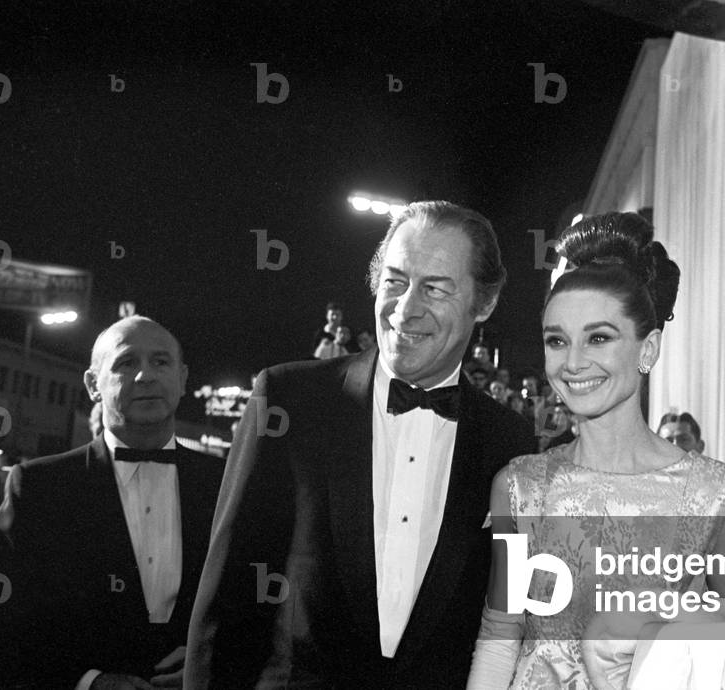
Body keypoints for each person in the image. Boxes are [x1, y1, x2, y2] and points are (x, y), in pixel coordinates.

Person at [468, 212, 725, 688]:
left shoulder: (716, 496)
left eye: (599, 337)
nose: (573, 362)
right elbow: (500, 636)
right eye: (557, 340)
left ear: (648, 349)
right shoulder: (520, 487)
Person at [184, 201, 534, 688]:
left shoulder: (510, 442)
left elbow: (509, 619)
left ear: (485, 302)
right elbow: (229, 597)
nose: (405, 309)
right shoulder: (288, 400)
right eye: (395, 281)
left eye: (435, 288)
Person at [0, 316, 225, 689]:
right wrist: (87, 681)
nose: (145, 376)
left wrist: (212, 662)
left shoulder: (226, 483)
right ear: (92, 385)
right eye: (126, 363)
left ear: (183, 379)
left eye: (160, 361)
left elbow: (263, 613)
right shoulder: (40, 487)